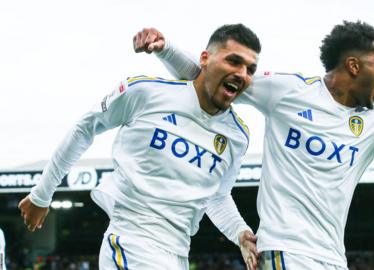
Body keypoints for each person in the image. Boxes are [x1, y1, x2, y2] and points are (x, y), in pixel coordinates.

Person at [133, 21, 374, 270]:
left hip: (332, 258)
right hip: (285, 252)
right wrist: (164, 49)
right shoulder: (288, 92)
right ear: (354, 65)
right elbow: (209, 73)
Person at [19, 23, 262, 270]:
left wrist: (240, 232)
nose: (242, 74)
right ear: (204, 58)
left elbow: (218, 196)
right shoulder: (145, 93)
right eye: (233, 61)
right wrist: (42, 194)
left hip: (177, 252)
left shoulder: (237, 136)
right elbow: (85, 129)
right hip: (132, 240)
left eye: (250, 69)